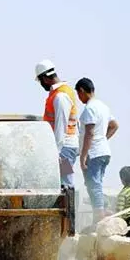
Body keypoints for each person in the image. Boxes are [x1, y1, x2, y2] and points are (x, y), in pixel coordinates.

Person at [75, 77, 119, 223]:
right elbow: (114, 125)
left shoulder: (90, 108)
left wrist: (83, 156)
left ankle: (99, 216)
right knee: (96, 184)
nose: (79, 98)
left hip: (93, 153)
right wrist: (103, 139)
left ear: (81, 91)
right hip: (104, 151)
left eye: (78, 94)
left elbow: (89, 133)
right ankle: (101, 212)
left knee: (93, 185)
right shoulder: (103, 106)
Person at [35, 60, 80, 188]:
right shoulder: (62, 92)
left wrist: (56, 152)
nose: (41, 85)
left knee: (66, 183)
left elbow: (61, 126)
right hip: (66, 146)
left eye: (40, 81)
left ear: (45, 78)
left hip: (64, 147)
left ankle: (68, 207)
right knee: (64, 181)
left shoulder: (60, 96)